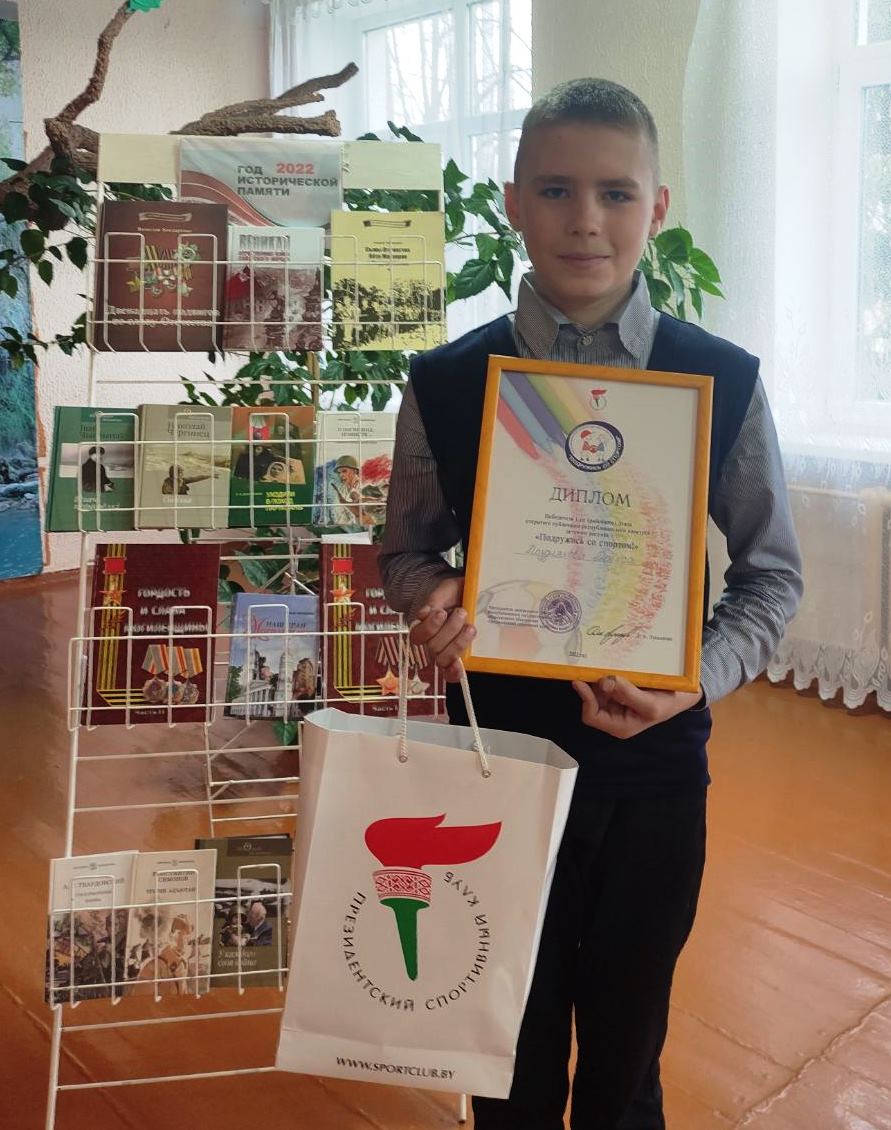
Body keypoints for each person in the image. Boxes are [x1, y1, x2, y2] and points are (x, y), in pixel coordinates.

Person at [379, 77, 803, 1130]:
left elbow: (771, 575)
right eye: (556, 189)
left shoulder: (722, 381)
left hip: (655, 769)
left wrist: (693, 679)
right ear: (512, 202)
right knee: (505, 1041)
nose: (585, 220)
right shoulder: (446, 382)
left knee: (627, 1045)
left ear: (656, 208)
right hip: (498, 760)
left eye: (616, 193)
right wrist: (436, 599)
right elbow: (406, 551)